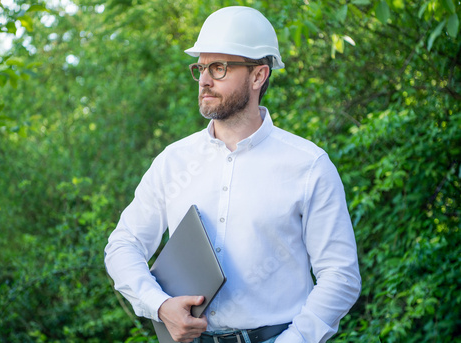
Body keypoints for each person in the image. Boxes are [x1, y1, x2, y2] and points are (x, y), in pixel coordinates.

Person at [105, 6, 361, 343]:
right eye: (200, 68)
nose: (205, 80)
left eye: (219, 68)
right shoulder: (173, 162)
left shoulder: (308, 165)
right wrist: (160, 305)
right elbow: (123, 245)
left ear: (258, 76)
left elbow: (340, 276)